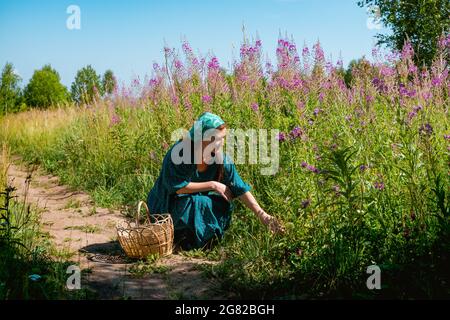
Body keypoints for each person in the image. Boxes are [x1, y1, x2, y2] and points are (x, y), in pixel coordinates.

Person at [146, 112, 284, 250]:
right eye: (215, 139)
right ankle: (178, 239)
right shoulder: (181, 152)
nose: (221, 143)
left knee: (219, 203)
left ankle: (200, 242)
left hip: (193, 203)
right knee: (200, 203)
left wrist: (263, 215)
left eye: (222, 138)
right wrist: (213, 185)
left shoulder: (221, 160)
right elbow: (176, 186)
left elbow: (239, 188)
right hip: (168, 203)